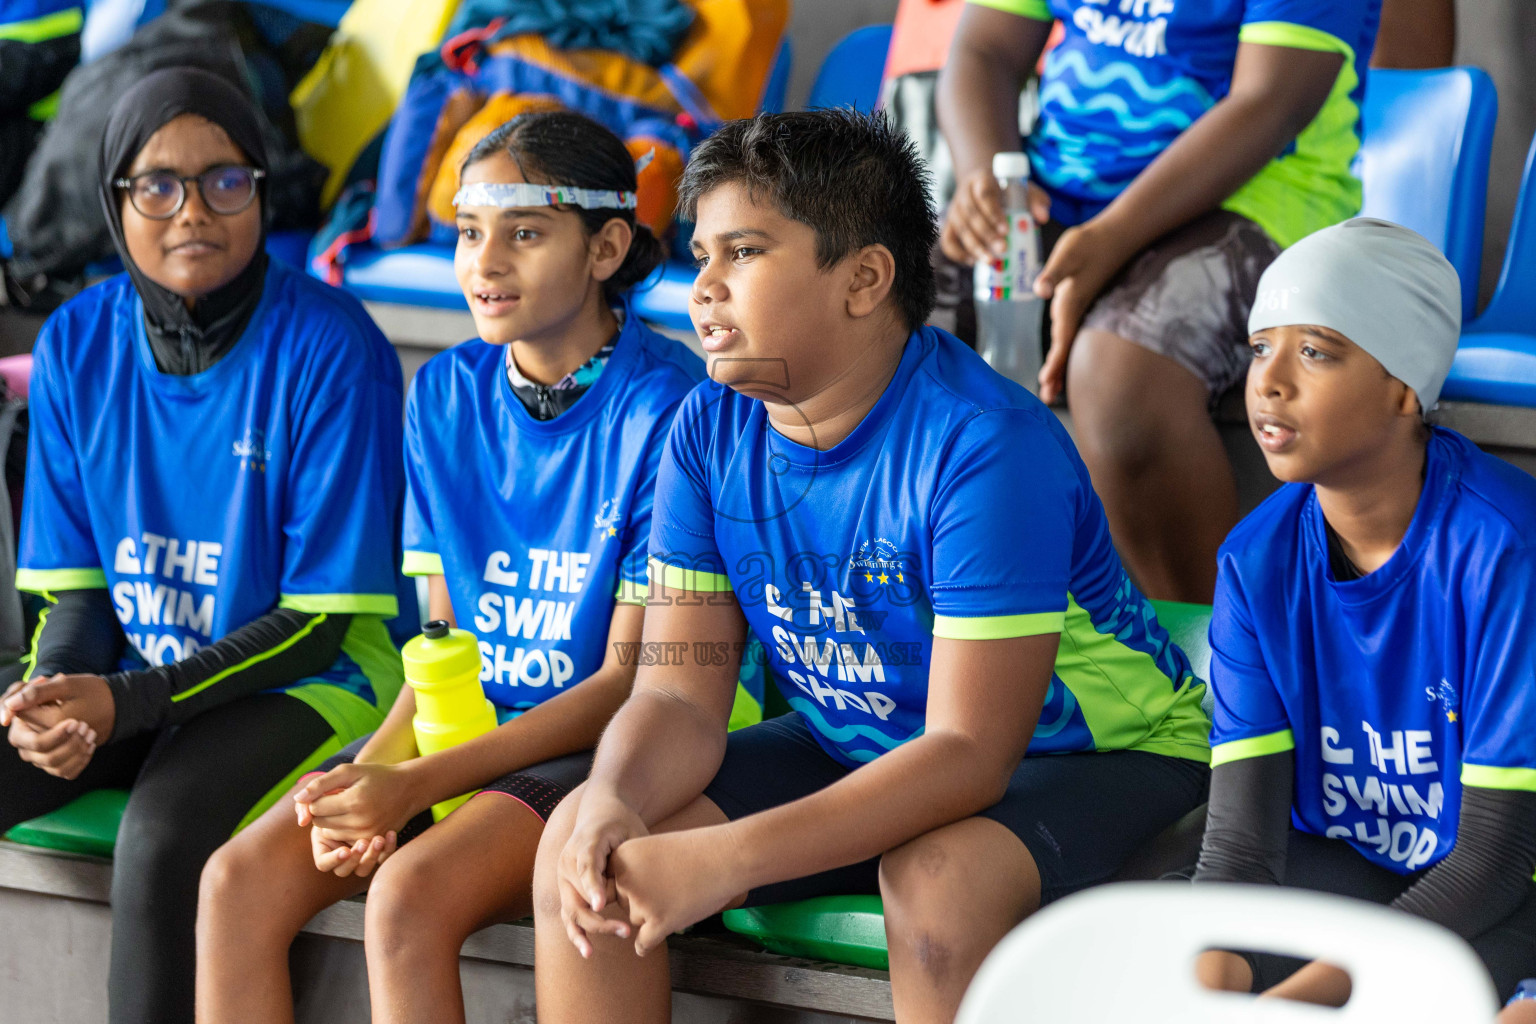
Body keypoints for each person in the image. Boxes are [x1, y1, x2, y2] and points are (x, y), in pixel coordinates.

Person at [531, 108, 1211, 1024]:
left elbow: (969, 755)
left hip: (1093, 752)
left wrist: (725, 859)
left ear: (863, 279)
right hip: (854, 735)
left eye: (743, 254)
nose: (704, 289)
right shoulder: (706, 428)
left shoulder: (984, 446)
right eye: (701, 257)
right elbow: (676, 694)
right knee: (584, 843)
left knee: (937, 882)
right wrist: (614, 798)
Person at [196, 111, 705, 1024]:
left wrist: (415, 788)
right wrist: (374, 782)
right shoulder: (442, 392)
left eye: (525, 233)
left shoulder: (673, 412)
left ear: (607, 246)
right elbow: (443, 647)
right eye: (470, 233)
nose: (485, 262)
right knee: (236, 879)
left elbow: (628, 683)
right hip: (473, 732)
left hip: (609, 745)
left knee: (405, 898)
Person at [0, 67, 410, 1024]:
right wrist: (58, 693)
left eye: (227, 181)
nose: (193, 210)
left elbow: (317, 622)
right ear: (116, 201)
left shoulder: (332, 346)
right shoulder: (75, 344)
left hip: (311, 678)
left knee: (164, 833)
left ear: (262, 191)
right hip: (142, 675)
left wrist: (126, 702)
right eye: (159, 185)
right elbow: (76, 589)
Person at [1191, 219, 1536, 1021]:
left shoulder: (1503, 550)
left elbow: (1495, 858)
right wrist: (1205, 1000)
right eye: (1258, 348)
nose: (1268, 382)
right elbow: (1239, 853)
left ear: (1404, 387)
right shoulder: (1255, 560)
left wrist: (1307, 1004)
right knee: (1175, 948)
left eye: (1315, 351)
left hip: (1507, 892)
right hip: (1354, 871)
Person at [936, 0, 1380, 603]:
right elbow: (984, 49)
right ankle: (908, 632)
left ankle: (1214, 655)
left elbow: (1271, 101)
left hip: (1258, 199)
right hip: (1059, 195)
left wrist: (1109, 240)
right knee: (881, 306)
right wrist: (989, 183)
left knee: (1123, 379)